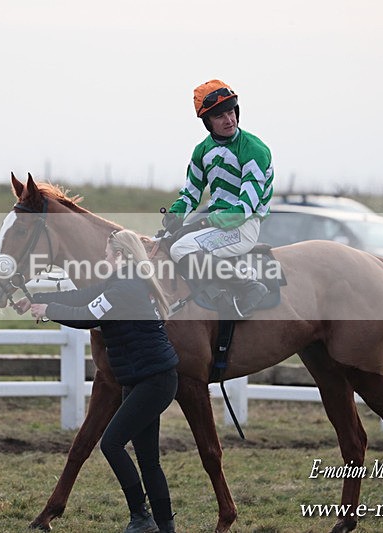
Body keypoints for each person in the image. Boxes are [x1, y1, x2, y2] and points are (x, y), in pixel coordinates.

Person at [18, 229, 179, 533]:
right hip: (144, 379)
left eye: (107, 254)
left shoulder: (124, 289)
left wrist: (49, 311)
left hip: (154, 381)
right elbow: (83, 296)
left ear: (120, 256)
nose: (104, 259)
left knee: (112, 443)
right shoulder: (121, 282)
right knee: (148, 460)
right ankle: (164, 527)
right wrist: (38, 300)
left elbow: (87, 315)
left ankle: (142, 518)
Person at [164, 79, 275, 318]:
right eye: (220, 116)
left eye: (231, 112)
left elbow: (245, 207)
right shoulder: (202, 150)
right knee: (162, 244)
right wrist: (175, 214)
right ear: (208, 123)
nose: (229, 120)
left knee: (182, 248)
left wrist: (205, 222)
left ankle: (250, 286)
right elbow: (191, 193)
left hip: (242, 226)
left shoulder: (254, 149)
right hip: (217, 223)